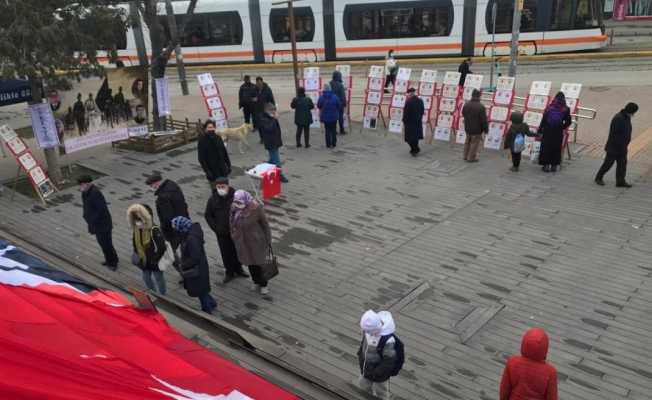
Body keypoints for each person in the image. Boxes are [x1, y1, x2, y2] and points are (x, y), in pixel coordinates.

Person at [205, 177, 249, 284]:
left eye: (222, 187)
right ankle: (229, 272)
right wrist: (216, 228)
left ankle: (239, 269)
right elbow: (208, 215)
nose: (220, 189)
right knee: (226, 253)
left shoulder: (236, 197)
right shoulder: (212, 199)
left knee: (237, 251)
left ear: (227, 186)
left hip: (236, 232)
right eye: (218, 187)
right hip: (222, 233)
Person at [147, 173, 189, 283]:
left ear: (156, 184)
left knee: (170, 252)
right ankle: (190, 271)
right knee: (186, 249)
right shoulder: (173, 186)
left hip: (172, 230)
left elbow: (167, 217)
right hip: (184, 222)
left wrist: (164, 231)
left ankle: (186, 275)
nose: (151, 188)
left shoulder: (163, 198)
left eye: (151, 186)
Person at [229, 190, 273, 295]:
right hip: (242, 242)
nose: (238, 204)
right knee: (250, 263)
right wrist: (233, 235)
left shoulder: (256, 208)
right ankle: (255, 281)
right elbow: (231, 222)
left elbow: (265, 224)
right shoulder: (234, 207)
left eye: (240, 202)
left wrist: (268, 239)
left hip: (257, 241)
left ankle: (263, 284)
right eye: (236, 202)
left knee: (260, 263)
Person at [172, 216, 217, 314]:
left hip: (197, 269)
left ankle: (207, 311)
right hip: (200, 267)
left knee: (200, 291)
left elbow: (195, 257)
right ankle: (212, 303)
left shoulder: (191, 239)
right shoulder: (191, 232)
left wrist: (183, 265)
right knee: (202, 290)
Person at [500, 327, 558, 400]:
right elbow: (552, 397)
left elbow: (504, 389)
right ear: (545, 349)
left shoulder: (512, 362)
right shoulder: (550, 372)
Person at [357, 310, 404, 400]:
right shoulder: (367, 331)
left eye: (368, 331)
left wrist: (377, 373)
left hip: (380, 373)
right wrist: (360, 354)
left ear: (376, 329)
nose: (366, 333)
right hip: (366, 367)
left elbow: (389, 361)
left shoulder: (388, 340)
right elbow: (364, 344)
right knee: (363, 385)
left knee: (381, 391)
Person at [78, 175, 118, 270]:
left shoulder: (95, 193)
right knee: (102, 243)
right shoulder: (85, 192)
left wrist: (92, 219)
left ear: (87, 184)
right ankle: (109, 259)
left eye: (81, 185)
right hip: (96, 224)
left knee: (106, 244)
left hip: (103, 224)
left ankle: (113, 263)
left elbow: (101, 209)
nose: (80, 187)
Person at [595, 102, 639, 188]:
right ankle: (598, 177)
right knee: (608, 164)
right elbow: (614, 133)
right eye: (634, 112)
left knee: (622, 165)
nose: (634, 114)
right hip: (614, 147)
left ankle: (620, 181)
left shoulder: (626, 117)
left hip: (622, 147)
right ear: (631, 111)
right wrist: (619, 144)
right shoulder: (618, 118)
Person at [127, 203, 167, 295]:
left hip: (155, 261)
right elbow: (135, 242)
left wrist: (155, 260)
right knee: (146, 278)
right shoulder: (137, 228)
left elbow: (162, 247)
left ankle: (162, 295)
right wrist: (136, 252)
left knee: (158, 278)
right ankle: (153, 293)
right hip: (144, 260)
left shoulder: (154, 230)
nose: (137, 221)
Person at [538, 92, 572, 173]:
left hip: (548, 130)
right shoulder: (566, 108)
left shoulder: (549, 107)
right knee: (556, 147)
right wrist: (562, 127)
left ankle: (546, 166)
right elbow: (569, 121)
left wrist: (540, 130)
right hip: (558, 131)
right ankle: (554, 166)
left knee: (546, 146)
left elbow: (544, 120)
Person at [258, 103, 289, 183]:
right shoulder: (263, 118)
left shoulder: (270, 117)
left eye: (275, 110)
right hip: (271, 142)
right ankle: (280, 175)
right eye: (273, 111)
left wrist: (273, 118)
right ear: (267, 111)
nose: (274, 112)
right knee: (276, 160)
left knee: (272, 159)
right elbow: (269, 128)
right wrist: (274, 119)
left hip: (275, 141)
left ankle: (263, 169)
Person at [461, 89, 488, 162]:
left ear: (472, 95)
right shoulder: (481, 107)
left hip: (467, 127)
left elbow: (463, 113)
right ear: (479, 96)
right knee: (474, 143)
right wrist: (486, 130)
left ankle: (465, 156)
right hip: (477, 129)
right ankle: (471, 157)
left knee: (467, 141)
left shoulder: (466, 104)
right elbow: (484, 120)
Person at [317, 83, 341, 149]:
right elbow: (339, 105)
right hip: (334, 117)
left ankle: (328, 144)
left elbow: (319, 106)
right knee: (333, 130)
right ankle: (334, 143)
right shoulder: (335, 97)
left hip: (325, 117)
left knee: (327, 130)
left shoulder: (321, 97)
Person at [402, 87, 425, 156]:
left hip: (410, 122)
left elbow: (406, 113)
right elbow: (422, 111)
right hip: (417, 121)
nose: (408, 95)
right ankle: (414, 149)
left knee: (409, 138)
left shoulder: (408, 102)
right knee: (416, 137)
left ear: (410, 93)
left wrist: (404, 121)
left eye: (408, 94)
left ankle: (415, 149)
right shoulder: (420, 100)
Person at [255, 76, 276, 142]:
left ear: (262, 81)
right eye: (257, 83)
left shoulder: (267, 89)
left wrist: (273, 109)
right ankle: (262, 138)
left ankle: (268, 137)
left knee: (268, 124)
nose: (258, 84)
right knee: (260, 125)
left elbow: (271, 99)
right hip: (258, 110)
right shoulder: (254, 89)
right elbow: (251, 97)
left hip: (267, 109)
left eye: (259, 83)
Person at [330, 70, 348, 135]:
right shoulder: (340, 85)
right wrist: (345, 104)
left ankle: (334, 131)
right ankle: (341, 130)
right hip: (339, 104)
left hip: (331, 103)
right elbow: (343, 96)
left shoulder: (330, 84)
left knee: (333, 118)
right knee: (340, 117)